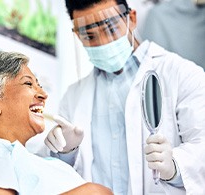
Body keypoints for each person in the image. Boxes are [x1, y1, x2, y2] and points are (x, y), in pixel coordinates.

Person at [44, 0, 205, 194]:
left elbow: (201, 147)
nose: (103, 41)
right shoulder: (73, 97)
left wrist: (175, 167)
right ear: (78, 36)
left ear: (132, 18)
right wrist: (64, 154)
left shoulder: (183, 75)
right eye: (90, 35)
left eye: (110, 28)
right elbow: (62, 181)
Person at [0, 51, 113, 195]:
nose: (43, 94)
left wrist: (66, 154)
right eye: (28, 83)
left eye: (39, 85)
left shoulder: (38, 160)